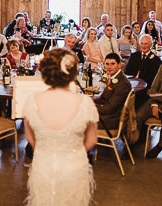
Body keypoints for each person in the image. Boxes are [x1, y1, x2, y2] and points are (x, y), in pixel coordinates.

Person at [22, 48, 98, 205]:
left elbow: (29, 136)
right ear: (72, 72)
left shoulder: (32, 101)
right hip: (75, 165)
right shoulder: (85, 103)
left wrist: (45, 149)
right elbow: (92, 139)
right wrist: (73, 152)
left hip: (44, 163)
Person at [93, 53, 131, 130]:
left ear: (119, 65)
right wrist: (87, 100)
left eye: (112, 64)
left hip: (111, 120)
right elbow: (102, 98)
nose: (109, 67)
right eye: (107, 64)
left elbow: (109, 109)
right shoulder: (113, 77)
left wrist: (89, 106)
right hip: (108, 116)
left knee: (76, 119)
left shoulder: (122, 84)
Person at [124, 35, 161, 108]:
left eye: (146, 44)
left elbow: (154, 78)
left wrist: (149, 88)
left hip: (144, 88)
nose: (143, 46)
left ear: (150, 45)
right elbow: (126, 71)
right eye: (142, 43)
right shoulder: (134, 56)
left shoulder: (155, 60)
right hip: (131, 85)